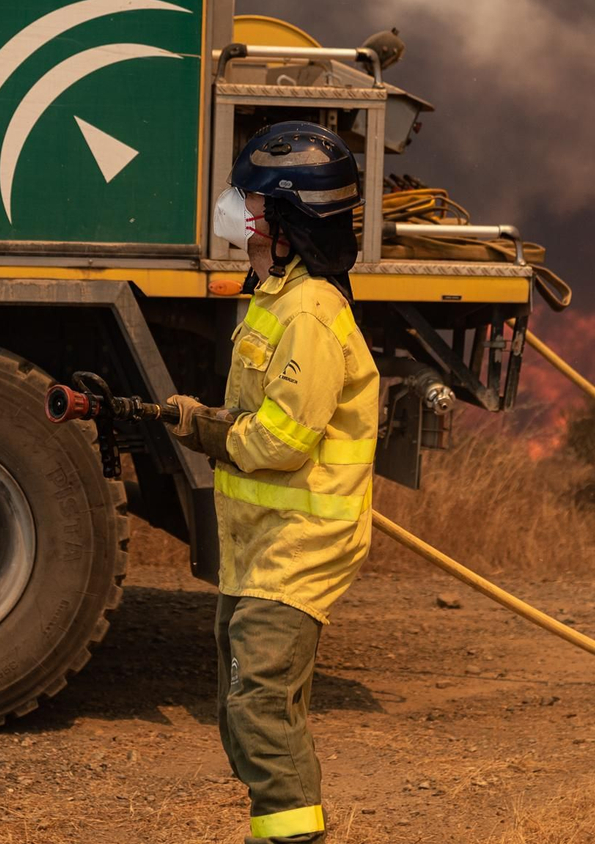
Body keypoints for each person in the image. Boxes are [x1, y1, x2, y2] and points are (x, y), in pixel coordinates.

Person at [167, 121, 379, 844]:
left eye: (255, 208)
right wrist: (200, 415)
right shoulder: (276, 298)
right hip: (261, 545)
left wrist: (202, 428)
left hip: (300, 546)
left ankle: (295, 839)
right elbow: (264, 416)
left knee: (257, 704)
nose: (241, 219)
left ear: (290, 225)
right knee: (243, 706)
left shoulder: (312, 315)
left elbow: (282, 441)